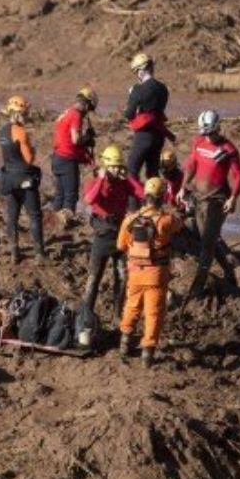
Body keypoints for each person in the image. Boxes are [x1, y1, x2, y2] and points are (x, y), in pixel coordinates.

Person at [78, 145, 145, 348]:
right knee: (93, 279)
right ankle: (85, 318)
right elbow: (90, 199)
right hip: (102, 237)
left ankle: (117, 317)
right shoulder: (93, 182)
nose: (117, 170)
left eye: (119, 166)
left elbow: (141, 193)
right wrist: (101, 178)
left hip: (121, 235)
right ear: (106, 166)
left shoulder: (124, 183)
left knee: (122, 277)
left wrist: (129, 176)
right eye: (113, 167)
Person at [117, 177, 183, 368]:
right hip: (156, 274)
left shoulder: (130, 219)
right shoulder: (165, 220)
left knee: (131, 306)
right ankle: (147, 353)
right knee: (153, 313)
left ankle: (125, 343)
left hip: (135, 272)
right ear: (162, 197)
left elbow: (121, 245)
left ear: (144, 196)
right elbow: (180, 224)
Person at [177, 110, 240, 297]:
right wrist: (183, 187)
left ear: (218, 128)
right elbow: (191, 165)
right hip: (199, 198)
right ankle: (230, 272)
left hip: (218, 200)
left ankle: (197, 288)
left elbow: (238, 175)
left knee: (207, 244)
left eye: (212, 133)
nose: (209, 137)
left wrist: (233, 198)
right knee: (208, 239)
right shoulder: (198, 143)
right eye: (205, 134)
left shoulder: (228, 149)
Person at [0, 96, 46, 264]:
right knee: (34, 215)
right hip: (24, 178)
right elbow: (28, 160)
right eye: (26, 113)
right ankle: (39, 254)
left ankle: (14, 252)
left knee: (12, 217)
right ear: (20, 113)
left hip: (9, 178)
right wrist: (32, 150)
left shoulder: (2, 131)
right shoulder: (21, 132)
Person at [122, 53, 173, 180]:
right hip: (159, 135)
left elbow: (129, 114)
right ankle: (154, 198)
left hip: (144, 135)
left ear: (140, 70)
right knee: (152, 172)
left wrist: (131, 95)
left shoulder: (137, 89)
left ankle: (134, 200)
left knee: (131, 171)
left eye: (136, 71)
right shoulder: (163, 88)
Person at [51, 87, 98, 216]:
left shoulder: (67, 112)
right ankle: (66, 224)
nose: (88, 112)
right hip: (67, 159)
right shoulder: (76, 115)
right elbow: (76, 140)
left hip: (57, 157)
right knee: (71, 196)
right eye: (90, 108)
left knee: (60, 194)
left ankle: (56, 222)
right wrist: (87, 138)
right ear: (87, 103)